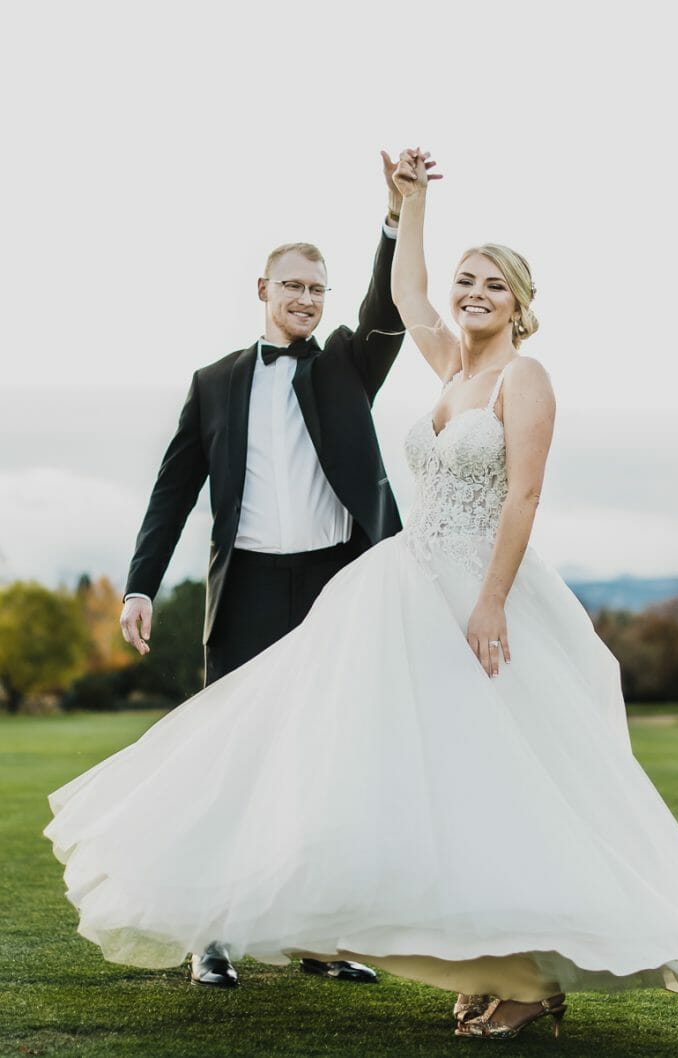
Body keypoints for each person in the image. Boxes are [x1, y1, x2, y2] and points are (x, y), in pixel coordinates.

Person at [45, 149, 678, 1040]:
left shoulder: (523, 378)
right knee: (425, 777)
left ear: (520, 304)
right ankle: (487, 965)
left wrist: (490, 602)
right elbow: (407, 294)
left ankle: (526, 977)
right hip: (404, 588)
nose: (474, 294)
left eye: (494, 285)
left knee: (505, 781)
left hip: (477, 595)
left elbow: (523, 497)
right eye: (467, 281)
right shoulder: (450, 368)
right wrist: (409, 204)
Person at [115, 151, 410, 988]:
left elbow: (384, 305)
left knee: (329, 759)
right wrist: (140, 584)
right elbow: (172, 491)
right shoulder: (213, 383)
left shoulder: (348, 363)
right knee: (231, 762)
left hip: (333, 588)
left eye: (317, 288)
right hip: (243, 588)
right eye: (292, 286)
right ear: (262, 289)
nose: (306, 299)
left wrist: (394, 219)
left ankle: (318, 935)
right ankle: (211, 934)